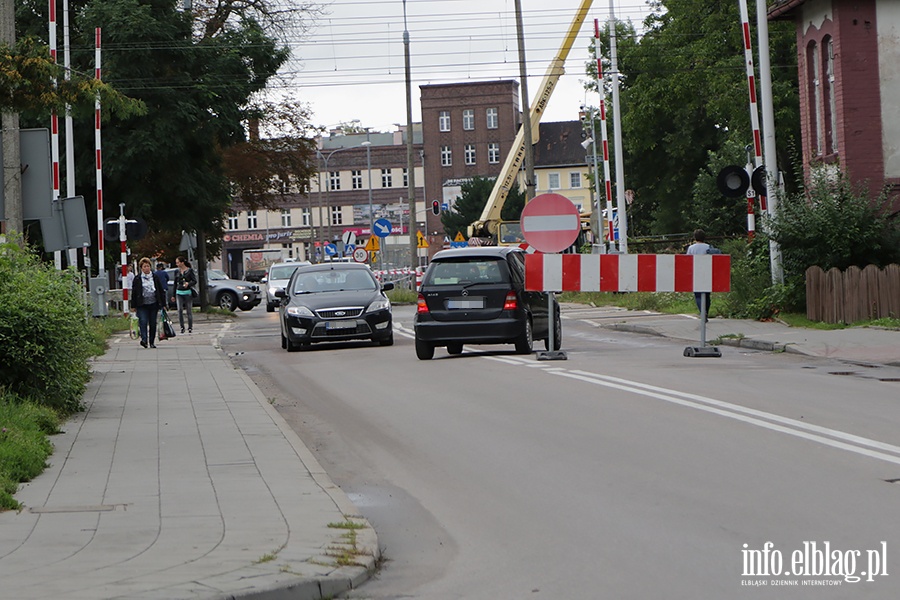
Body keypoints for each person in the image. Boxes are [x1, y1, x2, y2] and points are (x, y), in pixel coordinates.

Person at [132, 257, 167, 348]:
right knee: (143, 321)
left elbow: (160, 290)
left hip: (153, 303)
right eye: (144, 266)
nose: (146, 268)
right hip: (142, 304)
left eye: (148, 266)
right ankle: (144, 339)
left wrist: (163, 304)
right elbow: (134, 293)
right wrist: (133, 305)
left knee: (152, 323)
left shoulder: (155, 277)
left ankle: (151, 341)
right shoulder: (138, 279)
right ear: (141, 268)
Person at [686, 229, 715, 320]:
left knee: (698, 294)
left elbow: (687, 261)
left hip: (696, 273)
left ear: (695, 237)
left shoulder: (691, 248)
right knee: (707, 294)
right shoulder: (709, 247)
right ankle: (706, 311)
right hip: (707, 272)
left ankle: (702, 312)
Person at [174, 256, 197, 334]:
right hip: (179, 292)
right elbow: (175, 283)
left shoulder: (190, 271)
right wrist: (174, 295)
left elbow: (194, 281)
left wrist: (189, 284)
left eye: (178, 262)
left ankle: (190, 327)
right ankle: (182, 327)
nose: (177, 264)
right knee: (179, 310)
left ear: (182, 263)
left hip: (187, 293)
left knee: (189, 311)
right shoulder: (177, 271)